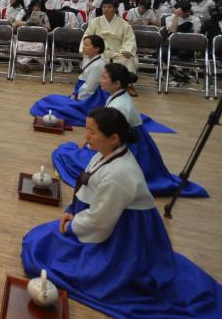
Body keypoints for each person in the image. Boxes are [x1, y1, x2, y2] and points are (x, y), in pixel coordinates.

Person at [22, 108, 221, 319]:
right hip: (101, 220)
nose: (86, 136)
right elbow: (89, 190)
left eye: (92, 132)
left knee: (44, 252)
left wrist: (73, 226)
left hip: (124, 236)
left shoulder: (120, 174)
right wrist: (71, 210)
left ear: (114, 138)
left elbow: (101, 220)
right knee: (40, 241)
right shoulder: (106, 154)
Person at [51, 66, 206, 198]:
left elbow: (112, 138)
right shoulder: (117, 96)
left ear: (117, 83)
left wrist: (90, 145)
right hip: (128, 141)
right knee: (68, 153)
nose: (100, 80)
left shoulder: (120, 105)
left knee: (67, 157)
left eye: (104, 77)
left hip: (131, 148)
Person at [30, 35, 107, 126]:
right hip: (81, 95)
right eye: (83, 45)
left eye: (87, 45)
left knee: (51, 102)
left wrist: (76, 99)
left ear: (97, 49)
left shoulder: (98, 65)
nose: (83, 47)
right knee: (51, 98)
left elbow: (89, 88)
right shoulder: (91, 60)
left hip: (88, 101)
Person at [81, 0, 138, 93]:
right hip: (99, 51)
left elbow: (129, 40)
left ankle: (127, 84)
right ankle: (90, 84)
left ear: (115, 8)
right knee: (88, 57)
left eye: (109, 7)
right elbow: (87, 36)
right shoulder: (95, 21)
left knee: (128, 59)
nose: (106, 9)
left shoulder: (124, 24)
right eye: (104, 7)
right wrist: (87, 49)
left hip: (117, 51)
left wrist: (127, 50)